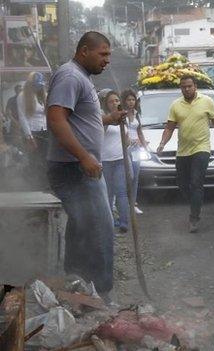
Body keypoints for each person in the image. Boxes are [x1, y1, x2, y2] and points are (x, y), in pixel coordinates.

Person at [46, 32, 125, 298]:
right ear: (84, 51)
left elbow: (80, 120)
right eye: (102, 54)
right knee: (98, 232)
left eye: (109, 55)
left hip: (82, 168)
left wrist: (108, 119)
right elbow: (56, 119)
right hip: (74, 169)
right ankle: (100, 297)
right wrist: (83, 156)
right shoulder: (69, 76)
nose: (107, 60)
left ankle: (78, 291)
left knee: (83, 229)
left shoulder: (82, 77)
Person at [157, 75, 214, 233]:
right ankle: (196, 201)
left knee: (196, 182)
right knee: (183, 184)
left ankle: (194, 217)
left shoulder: (207, 101)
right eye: (184, 87)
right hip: (183, 151)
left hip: (202, 148)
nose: (187, 89)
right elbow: (170, 128)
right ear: (181, 88)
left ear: (195, 86)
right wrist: (162, 143)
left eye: (189, 86)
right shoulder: (175, 105)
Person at [100, 90, 131, 233]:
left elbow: (126, 141)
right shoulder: (103, 119)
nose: (115, 103)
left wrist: (128, 141)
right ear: (106, 104)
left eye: (117, 100)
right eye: (111, 101)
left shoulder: (125, 118)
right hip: (105, 160)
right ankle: (109, 222)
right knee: (108, 193)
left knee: (121, 192)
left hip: (120, 159)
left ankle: (124, 222)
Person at [16, 72, 48, 188]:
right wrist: (29, 136)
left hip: (44, 130)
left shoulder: (44, 95)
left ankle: (44, 183)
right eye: (35, 85)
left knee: (45, 158)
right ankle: (33, 183)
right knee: (34, 158)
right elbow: (22, 117)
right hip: (32, 131)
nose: (37, 87)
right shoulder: (22, 96)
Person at [121, 89, 148, 215]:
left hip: (136, 149)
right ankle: (122, 202)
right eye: (128, 100)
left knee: (135, 176)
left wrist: (145, 146)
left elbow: (140, 131)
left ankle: (133, 203)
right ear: (124, 101)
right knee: (128, 176)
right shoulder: (121, 114)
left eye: (133, 100)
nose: (131, 102)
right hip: (125, 149)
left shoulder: (136, 114)